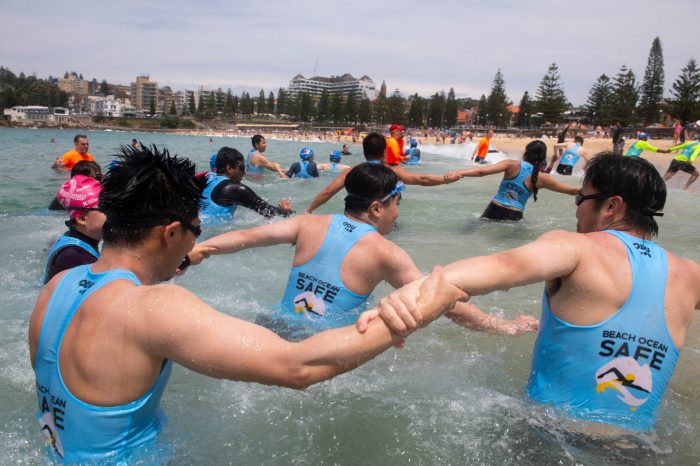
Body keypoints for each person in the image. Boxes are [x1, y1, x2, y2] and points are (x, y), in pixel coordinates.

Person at [29, 143, 467, 463]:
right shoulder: (153, 307)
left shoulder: (57, 286)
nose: (195, 242)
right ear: (171, 233)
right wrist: (416, 313)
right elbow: (298, 369)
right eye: (195, 231)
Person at [366, 152, 700, 432]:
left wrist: (412, 295)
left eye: (582, 198)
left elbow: (482, 273)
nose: (577, 208)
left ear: (612, 207)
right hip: (638, 450)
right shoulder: (691, 275)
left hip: (549, 437)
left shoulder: (573, 248)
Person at [189, 162, 536, 340]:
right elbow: (441, 299)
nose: (398, 213)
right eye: (397, 204)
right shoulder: (386, 253)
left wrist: (201, 248)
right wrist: (500, 326)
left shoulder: (308, 224)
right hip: (317, 347)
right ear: (376, 207)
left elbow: (247, 237)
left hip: (267, 328)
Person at [305, 133, 461, 214]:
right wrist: (446, 178)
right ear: (384, 151)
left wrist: (308, 210)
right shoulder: (392, 171)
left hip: (357, 217)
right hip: (382, 221)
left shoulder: (352, 171)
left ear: (365, 151)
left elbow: (327, 192)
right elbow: (422, 178)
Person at [456, 140, 578, 221]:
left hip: (494, 209)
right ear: (542, 158)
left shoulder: (511, 164)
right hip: (515, 215)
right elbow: (572, 191)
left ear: (526, 152)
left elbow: (481, 172)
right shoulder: (543, 178)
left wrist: (459, 173)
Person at [200, 147, 293, 225]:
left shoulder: (205, 178)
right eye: (242, 167)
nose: (244, 172)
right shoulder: (233, 189)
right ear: (229, 168)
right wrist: (288, 211)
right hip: (212, 236)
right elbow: (270, 212)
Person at [43, 175, 105, 284]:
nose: (112, 213)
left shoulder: (72, 240)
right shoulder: (74, 257)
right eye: (105, 208)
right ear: (82, 218)